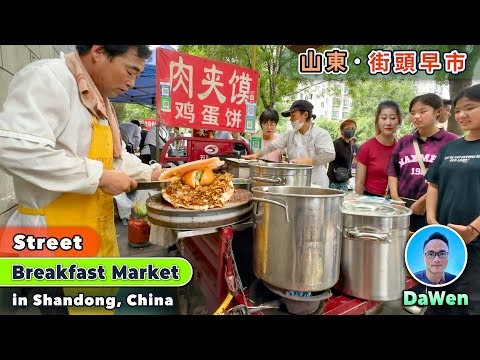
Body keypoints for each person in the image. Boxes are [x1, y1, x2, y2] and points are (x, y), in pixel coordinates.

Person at [0, 45, 164, 315]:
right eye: (129, 71)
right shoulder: (49, 79)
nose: (132, 83)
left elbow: (114, 158)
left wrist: (152, 173)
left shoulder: (99, 101)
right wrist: (96, 176)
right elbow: (12, 148)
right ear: (99, 51)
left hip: (96, 235)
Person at [425, 84, 480, 315]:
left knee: (468, 306)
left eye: (470, 108)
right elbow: (434, 184)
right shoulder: (450, 148)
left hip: (476, 245)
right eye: (458, 110)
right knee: (439, 303)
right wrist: (431, 220)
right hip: (446, 242)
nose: (461, 115)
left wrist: (473, 230)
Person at [387, 93, 458, 232]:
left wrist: (424, 201)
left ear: (438, 111)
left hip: (435, 212)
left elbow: (451, 179)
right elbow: (393, 171)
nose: (416, 116)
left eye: (423, 111)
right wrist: (395, 197)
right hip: (402, 210)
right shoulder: (404, 142)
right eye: (413, 113)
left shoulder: (452, 142)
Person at [242, 100, 335, 187]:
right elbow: (272, 146)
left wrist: (308, 161)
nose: (290, 120)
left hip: (316, 183)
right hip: (295, 182)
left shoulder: (321, 134)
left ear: (305, 114)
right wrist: (256, 154)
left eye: (293, 116)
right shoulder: (290, 134)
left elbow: (329, 155)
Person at [355, 100, 402, 197]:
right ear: (377, 120)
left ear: (399, 121)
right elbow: (359, 183)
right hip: (371, 203)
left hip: (396, 203)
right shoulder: (367, 147)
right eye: (384, 118)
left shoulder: (402, 148)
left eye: (393, 118)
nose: (388, 123)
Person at [327, 119, 357, 191]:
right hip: (334, 181)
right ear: (341, 131)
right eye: (347, 128)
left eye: (352, 128)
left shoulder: (350, 145)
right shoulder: (336, 144)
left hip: (344, 180)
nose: (350, 130)